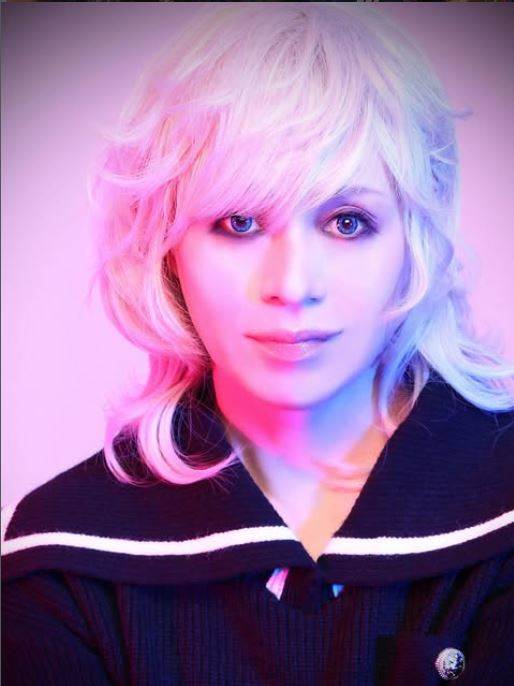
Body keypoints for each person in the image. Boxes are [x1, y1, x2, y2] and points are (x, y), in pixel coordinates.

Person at [2, 3, 514, 685]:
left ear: (413, 239)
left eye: (347, 221)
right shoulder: (63, 557)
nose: (292, 285)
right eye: (239, 222)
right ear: (166, 248)